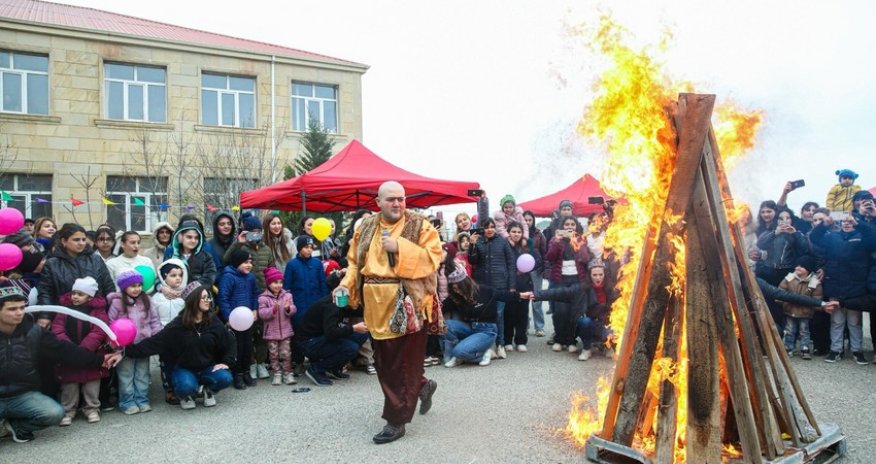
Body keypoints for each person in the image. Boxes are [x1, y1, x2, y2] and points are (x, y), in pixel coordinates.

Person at [336, 180, 442, 445]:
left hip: (407, 302)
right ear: (378, 203)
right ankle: (422, 386)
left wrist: (400, 248)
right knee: (384, 362)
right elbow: (354, 263)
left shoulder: (420, 225)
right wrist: (345, 285)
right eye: (391, 199)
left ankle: (396, 420)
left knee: (401, 363)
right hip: (375, 305)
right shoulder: (366, 227)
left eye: (401, 199)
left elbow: (434, 258)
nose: (397, 203)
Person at [0, 285, 121, 443]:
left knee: (54, 413)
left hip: (22, 395)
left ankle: (15, 427)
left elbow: (65, 351)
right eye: (12, 309)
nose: (19, 313)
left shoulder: (34, 332)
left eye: (22, 307)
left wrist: (100, 360)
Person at [122, 284, 235, 410]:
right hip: (184, 369)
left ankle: (208, 390)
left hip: (207, 368)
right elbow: (154, 343)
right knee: (185, 386)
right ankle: (187, 396)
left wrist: (227, 362)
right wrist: (125, 351)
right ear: (193, 300)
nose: (208, 300)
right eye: (203, 297)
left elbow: (230, 341)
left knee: (225, 378)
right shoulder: (177, 325)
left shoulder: (213, 321)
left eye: (208, 297)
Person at [809, 215, 876, 364]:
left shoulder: (862, 236)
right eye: (844, 221)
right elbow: (815, 238)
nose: (847, 223)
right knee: (836, 320)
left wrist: (859, 224)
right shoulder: (832, 236)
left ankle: (857, 350)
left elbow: (873, 238)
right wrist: (824, 224)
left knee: (855, 322)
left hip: (856, 286)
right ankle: (836, 349)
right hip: (834, 284)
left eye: (850, 221)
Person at [50, 277, 110, 425]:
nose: (75, 297)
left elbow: (99, 330)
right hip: (68, 354)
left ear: (90, 297)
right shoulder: (64, 310)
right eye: (74, 293)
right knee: (69, 385)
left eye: (80, 294)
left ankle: (92, 408)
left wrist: (85, 347)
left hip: (91, 353)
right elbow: (57, 328)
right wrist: (69, 347)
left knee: (92, 384)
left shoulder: (98, 311)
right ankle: (68, 410)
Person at [297, 271, 369, 386]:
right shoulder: (331, 305)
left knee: (362, 334)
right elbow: (331, 333)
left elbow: (362, 311)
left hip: (322, 338)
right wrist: (354, 328)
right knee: (351, 347)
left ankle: (333, 368)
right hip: (309, 343)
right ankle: (317, 369)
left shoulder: (343, 301)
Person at [441, 262, 520, 367]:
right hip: (469, 327)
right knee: (446, 325)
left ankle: (482, 355)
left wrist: (522, 295)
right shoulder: (456, 297)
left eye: (459, 288)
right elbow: (441, 308)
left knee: (459, 351)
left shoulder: (484, 291)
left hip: (487, 330)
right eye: (454, 289)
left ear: (465, 284)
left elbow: (504, 295)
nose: (457, 291)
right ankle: (457, 356)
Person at [37, 223, 115, 323]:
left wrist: (112, 312)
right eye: (76, 240)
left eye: (83, 239)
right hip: (64, 318)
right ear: (64, 241)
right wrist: (45, 316)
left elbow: (108, 287)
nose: (81, 243)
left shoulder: (96, 260)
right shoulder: (52, 264)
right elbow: (46, 293)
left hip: (95, 318)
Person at [108, 270, 161, 415]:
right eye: (133, 286)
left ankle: (142, 400)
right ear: (124, 287)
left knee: (142, 374)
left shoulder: (147, 300)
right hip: (124, 347)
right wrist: (114, 343)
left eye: (139, 285)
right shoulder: (117, 303)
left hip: (143, 345)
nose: (137, 289)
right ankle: (127, 402)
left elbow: (154, 320)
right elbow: (111, 323)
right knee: (126, 375)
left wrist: (155, 337)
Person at [467, 218, 516, 358]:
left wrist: (512, 285)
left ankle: (500, 344)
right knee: (485, 316)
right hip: (482, 286)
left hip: (500, 285)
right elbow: (472, 260)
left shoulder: (502, 241)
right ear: (482, 229)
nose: (489, 230)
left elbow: (511, 263)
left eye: (492, 227)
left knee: (499, 315)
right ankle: (489, 346)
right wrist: (472, 245)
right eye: (486, 227)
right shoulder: (478, 241)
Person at [544, 216, 591, 352]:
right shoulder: (555, 240)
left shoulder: (581, 240)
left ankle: (571, 340)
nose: (570, 226)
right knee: (560, 312)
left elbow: (585, 258)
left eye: (572, 224)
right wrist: (557, 241)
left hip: (576, 280)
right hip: (560, 281)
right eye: (567, 224)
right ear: (562, 227)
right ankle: (559, 339)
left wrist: (578, 243)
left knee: (574, 312)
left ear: (576, 227)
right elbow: (550, 257)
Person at [217, 248, 260, 389]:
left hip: (248, 319)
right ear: (237, 262)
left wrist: (255, 309)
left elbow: (255, 294)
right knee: (237, 347)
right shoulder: (228, 277)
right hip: (234, 320)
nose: (249, 265)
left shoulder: (251, 277)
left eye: (250, 262)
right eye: (245, 262)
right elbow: (223, 298)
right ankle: (237, 374)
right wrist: (228, 317)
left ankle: (246, 371)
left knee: (248, 346)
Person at [151, 259, 187, 404]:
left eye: (180, 275)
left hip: (183, 336)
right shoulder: (157, 298)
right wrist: (157, 334)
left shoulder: (186, 296)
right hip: (165, 337)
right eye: (173, 275)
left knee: (182, 362)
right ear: (163, 277)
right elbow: (154, 318)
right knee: (167, 364)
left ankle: (183, 387)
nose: (178, 278)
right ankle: (169, 389)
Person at [257, 267, 296, 386]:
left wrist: (288, 308)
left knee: (286, 353)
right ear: (268, 283)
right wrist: (272, 310)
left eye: (280, 282)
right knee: (273, 354)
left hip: (285, 331)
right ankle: (277, 374)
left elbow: (294, 309)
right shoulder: (263, 298)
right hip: (271, 333)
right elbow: (262, 313)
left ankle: (287, 373)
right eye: (275, 282)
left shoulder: (287, 296)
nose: (278, 285)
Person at [779, 256, 822, 360]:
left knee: (804, 331)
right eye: (797, 265)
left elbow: (817, 298)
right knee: (789, 330)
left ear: (808, 269)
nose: (797, 268)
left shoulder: (814, 282)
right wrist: (784, 302)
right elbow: (780, 292)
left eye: (801, 266)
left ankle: (805, 349)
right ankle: (788, 348)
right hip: (790, 310)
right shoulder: (789, 278)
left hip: (805, 312)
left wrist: (812, 305)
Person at [504, 222, 532, 352]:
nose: (516, 234)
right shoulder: (505, 246)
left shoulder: (525, 246)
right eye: (514, 231)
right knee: (509, 314)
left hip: (524, 284)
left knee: (523, 314)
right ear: (508, 232)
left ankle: (521, 341)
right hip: (509, 285)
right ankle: (507, 340)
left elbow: (534, 261)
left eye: (519, 232)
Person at [167, 219, 217, 286]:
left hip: (199, 291)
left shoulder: (205, 257)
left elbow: (209, 277)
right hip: (175, 291)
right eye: (189, 237)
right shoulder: (172, 257)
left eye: (196, 238)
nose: (193, 241)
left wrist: (192, 288)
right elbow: (162, 276)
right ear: (180, 237)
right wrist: (161, 287)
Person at [523, 210, 547, 337]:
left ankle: (539, 327)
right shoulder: (518, 233)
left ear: (533, 221)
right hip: (522, 271)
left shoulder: (539, 234)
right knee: (524, 299)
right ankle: (524, 326)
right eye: (525, 220)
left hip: (536, 269)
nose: (527, 222)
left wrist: (544, 268)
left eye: (529, 220)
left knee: (537, 299)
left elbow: (545, 252)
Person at [207, 211, 236, 277]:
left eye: (229, 224)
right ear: (216, 226)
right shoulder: (209, 245)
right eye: (222, 224)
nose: (226, 226)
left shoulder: (237, 243)